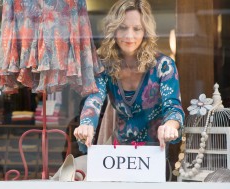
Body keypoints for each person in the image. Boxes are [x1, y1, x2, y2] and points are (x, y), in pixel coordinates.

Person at [74, 0, 185, 153]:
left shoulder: (163, 66)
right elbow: (94, 99)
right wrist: (86, 124)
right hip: (118, 153)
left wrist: (170, 126)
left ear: (145, 31)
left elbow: (173, 107)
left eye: (137, 29)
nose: (129, 35)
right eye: (123, 28)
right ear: (113, 30)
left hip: (155, 153)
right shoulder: (104, 65)